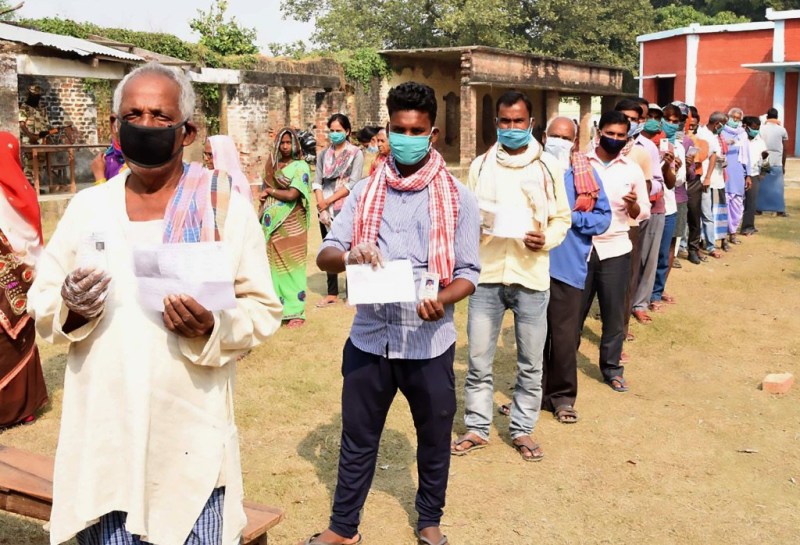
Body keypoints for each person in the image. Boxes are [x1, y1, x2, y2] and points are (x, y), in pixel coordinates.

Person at [27, 62, 283, 545]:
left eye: (160, 117)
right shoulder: (89, 208)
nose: (145, 125)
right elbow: (44, 299)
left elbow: (262, 308)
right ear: (114, 126)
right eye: (134, 114)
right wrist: (73, 309)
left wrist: (211, 327)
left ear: (186, 131)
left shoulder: (219, 204)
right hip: (106, 438)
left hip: (189, 438)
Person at [303, 82, 480, 545]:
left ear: (432, 133)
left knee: (434, 439)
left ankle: (429, 520)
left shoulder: (459, 198)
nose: (406, 137)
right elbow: (325, 253)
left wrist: (441, 301)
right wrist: (350, 256)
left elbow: (468, 272)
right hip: (370, 338)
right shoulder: (363, 192)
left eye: (415, 130)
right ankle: (344, 529)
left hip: (429, 341)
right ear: (387, 128)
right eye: (398, 129)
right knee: (358, 440)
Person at [452, 91, 570, 462]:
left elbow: (561, 218)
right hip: (486, 277)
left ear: (531, 124)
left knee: (531, 363)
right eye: (505, 121)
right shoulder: (482, 165)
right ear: (497, 123)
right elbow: (468, 216)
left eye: (519, 121)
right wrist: (478, 231)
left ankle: (522, 429)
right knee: (479, 361)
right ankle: (476, 426)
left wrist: (545, 238)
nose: (512, 128)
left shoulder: (548, 166)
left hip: (531, 277)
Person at [540, 116, 611, 422]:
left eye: (565, 137)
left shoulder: (585, 176)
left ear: (575, 141)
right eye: (554, 135)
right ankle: (532, 396)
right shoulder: (533, 170)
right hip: (531, 267)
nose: (559, 141)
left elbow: (602, 218)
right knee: (533, 338)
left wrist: (569, 218)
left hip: (567, 267)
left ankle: (563, 397)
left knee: (564, 337)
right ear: (544, 136)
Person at [579, 110, 650, 393]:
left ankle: (611, 369)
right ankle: (560, 364)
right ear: (599, 133)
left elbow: (642, 211)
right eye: (611, 134)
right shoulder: (581, 163)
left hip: (616, 249)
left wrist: (633, 206)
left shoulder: (631, 169)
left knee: (613, 313)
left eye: (622, 135)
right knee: (573, 313)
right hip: (581, 248)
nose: (615, 139)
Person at [0, 131, 47, 429]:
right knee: (19, 336)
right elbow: (29, 237)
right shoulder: (22, 191)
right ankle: (22, 407)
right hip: (20, 275)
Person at [260, 128, 312, 328]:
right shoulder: (272, 165)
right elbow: (263, 188)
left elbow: (292, 195)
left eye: (289, 142)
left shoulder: (301, 167)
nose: (285, 146)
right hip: (272, 225)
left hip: (291, 223)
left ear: (296, 144)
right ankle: (277, 309)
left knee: (293, 266)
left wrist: (270, 191)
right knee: (272, 265)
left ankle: (295, 311)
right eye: (282, 142)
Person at [313, 114, 364, 307]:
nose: (334, 134)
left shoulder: (355, 154)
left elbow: (353, 183)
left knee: (352, 249)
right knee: (329, 248)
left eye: (338, 131)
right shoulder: (323, 155)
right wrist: (321, 204)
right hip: (325, 210)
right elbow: (317, 181)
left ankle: (353, 293)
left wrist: (329, 201)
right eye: (332, 131)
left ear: (347, 132)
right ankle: (332, 292)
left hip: (347, 207)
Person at [649, 104, 684, 310]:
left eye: (674, 121)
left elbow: (676, 182)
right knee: (647, 255)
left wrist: (674, 167)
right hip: (649, 206)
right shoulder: (646, 143)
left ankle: (656, 293)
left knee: (663, 254)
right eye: (667, 120)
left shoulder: (677, 146)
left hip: (668, 205)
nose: (671, 125)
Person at [696, 112, 725, 258]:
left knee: (707, 214)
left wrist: (708, 177)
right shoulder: (701, 134)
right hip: (696, 178)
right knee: (693, 215)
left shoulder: (713, 136)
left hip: (706, 180)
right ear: (717, 123)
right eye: (723, 124)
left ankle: (710, 246)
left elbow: (714, 156)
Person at [721, 108, 751, 245]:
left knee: (737, 206)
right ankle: (722, 236)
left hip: (739, 173)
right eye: (733, 117)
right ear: (728, 117)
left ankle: (732, 233)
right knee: (724, 205)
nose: (735, 120)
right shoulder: (721, 131)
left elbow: (747, 156)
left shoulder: (743, 134)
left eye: (738, 118)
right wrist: (726, 144)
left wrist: (748, 175)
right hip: (725, 172)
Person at [757, 108, 789, 216]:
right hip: (777, 161)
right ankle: (779, 210)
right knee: (777, 187)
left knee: (762, 185)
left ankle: (758, 209)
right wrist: (783, 165)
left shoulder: (761, 129)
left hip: (764, 161)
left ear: (767, 117)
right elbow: (785, 149)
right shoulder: (782, 130)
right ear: (777, 117)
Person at [203, 134, 254, 202]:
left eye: (210, 155)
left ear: (222, 154)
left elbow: (245, 209)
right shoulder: (206, 177)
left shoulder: (237, 181)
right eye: (205, 154)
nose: (206, 159)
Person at [741, 116, 769, 235]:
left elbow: (766, 160)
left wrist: (762, 172)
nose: (755, 130)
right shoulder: (740, 139)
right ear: (746, 127)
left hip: (753, 174)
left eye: (757, 128)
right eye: (753, 128)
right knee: (734, 202)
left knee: (751, 202)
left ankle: (748, 227)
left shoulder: (760, 142)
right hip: (739, 174)